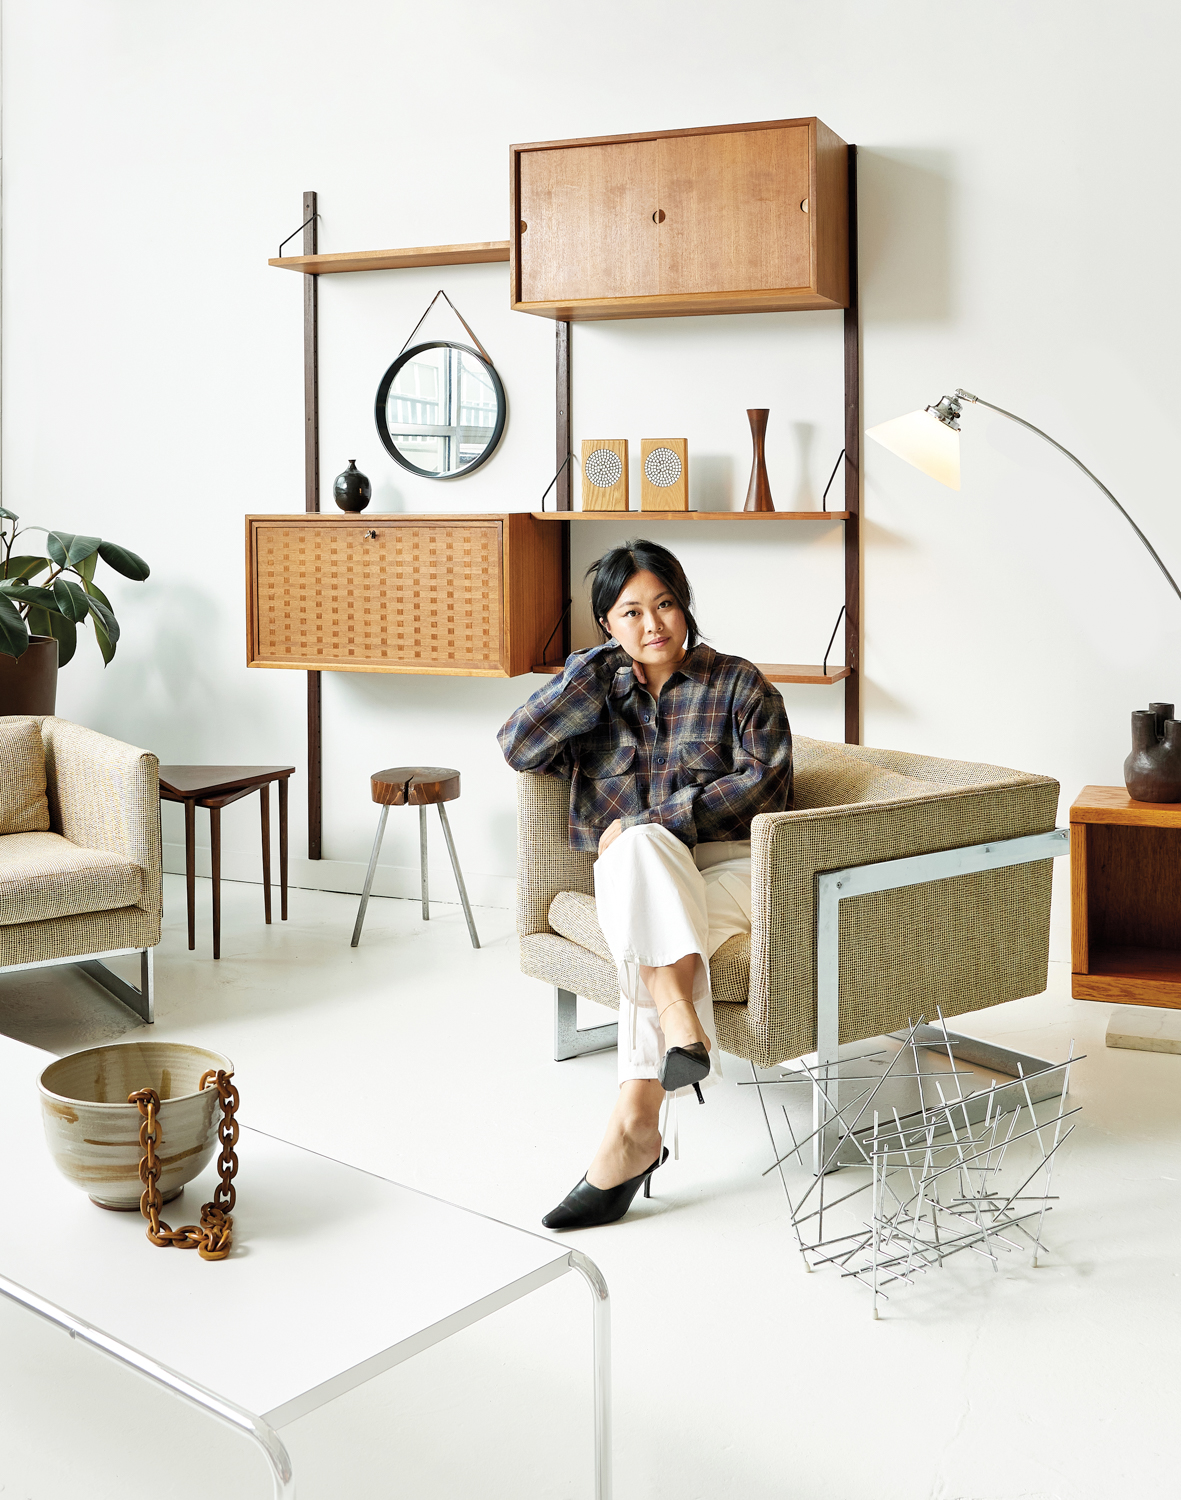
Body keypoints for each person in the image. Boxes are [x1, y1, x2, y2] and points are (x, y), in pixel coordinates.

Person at [498, 539, 793, 1229]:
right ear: (605, 623)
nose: (653, 624)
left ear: (684, 604)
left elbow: (765, 784)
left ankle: (637, 1124)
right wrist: (589, 672)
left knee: (634, 847)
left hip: (735, 870)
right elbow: (518, 748)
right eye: (629, 612)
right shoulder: (596, 693)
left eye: (664, 604)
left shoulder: (737, 683)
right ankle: (655, 1075)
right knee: (638, 865)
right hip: (644, 884)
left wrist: (648, 821)